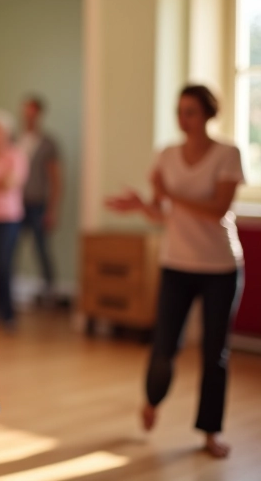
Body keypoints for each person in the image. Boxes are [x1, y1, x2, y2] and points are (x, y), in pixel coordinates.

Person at [105, 84, 244, 459]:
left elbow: (217, 209)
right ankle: (152, 400)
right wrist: (140, 206)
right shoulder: (166, 155)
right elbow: (162, 213)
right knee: (164, 346)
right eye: (179, 111)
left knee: (215, 354)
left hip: (219, 267)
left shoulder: (228, 154)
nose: (183, 119)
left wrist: (171, 195)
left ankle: (210, 432)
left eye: (191, 112)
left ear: (208, 114)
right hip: (177, 264)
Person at [0, 110, 29, 328]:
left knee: (4, 264)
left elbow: (11, 183)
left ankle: (8, 313)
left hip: (8, 218)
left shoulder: (16, 155)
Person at [17, 95, 62, 305]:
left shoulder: (48, 143)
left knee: (42, 249)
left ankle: (50, 292)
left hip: (38, 204)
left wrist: (52, 210)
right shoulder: (16, 140)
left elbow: (55, 179)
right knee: (9, 249)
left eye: (32, 111)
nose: (28, 116)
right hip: (15, 205)